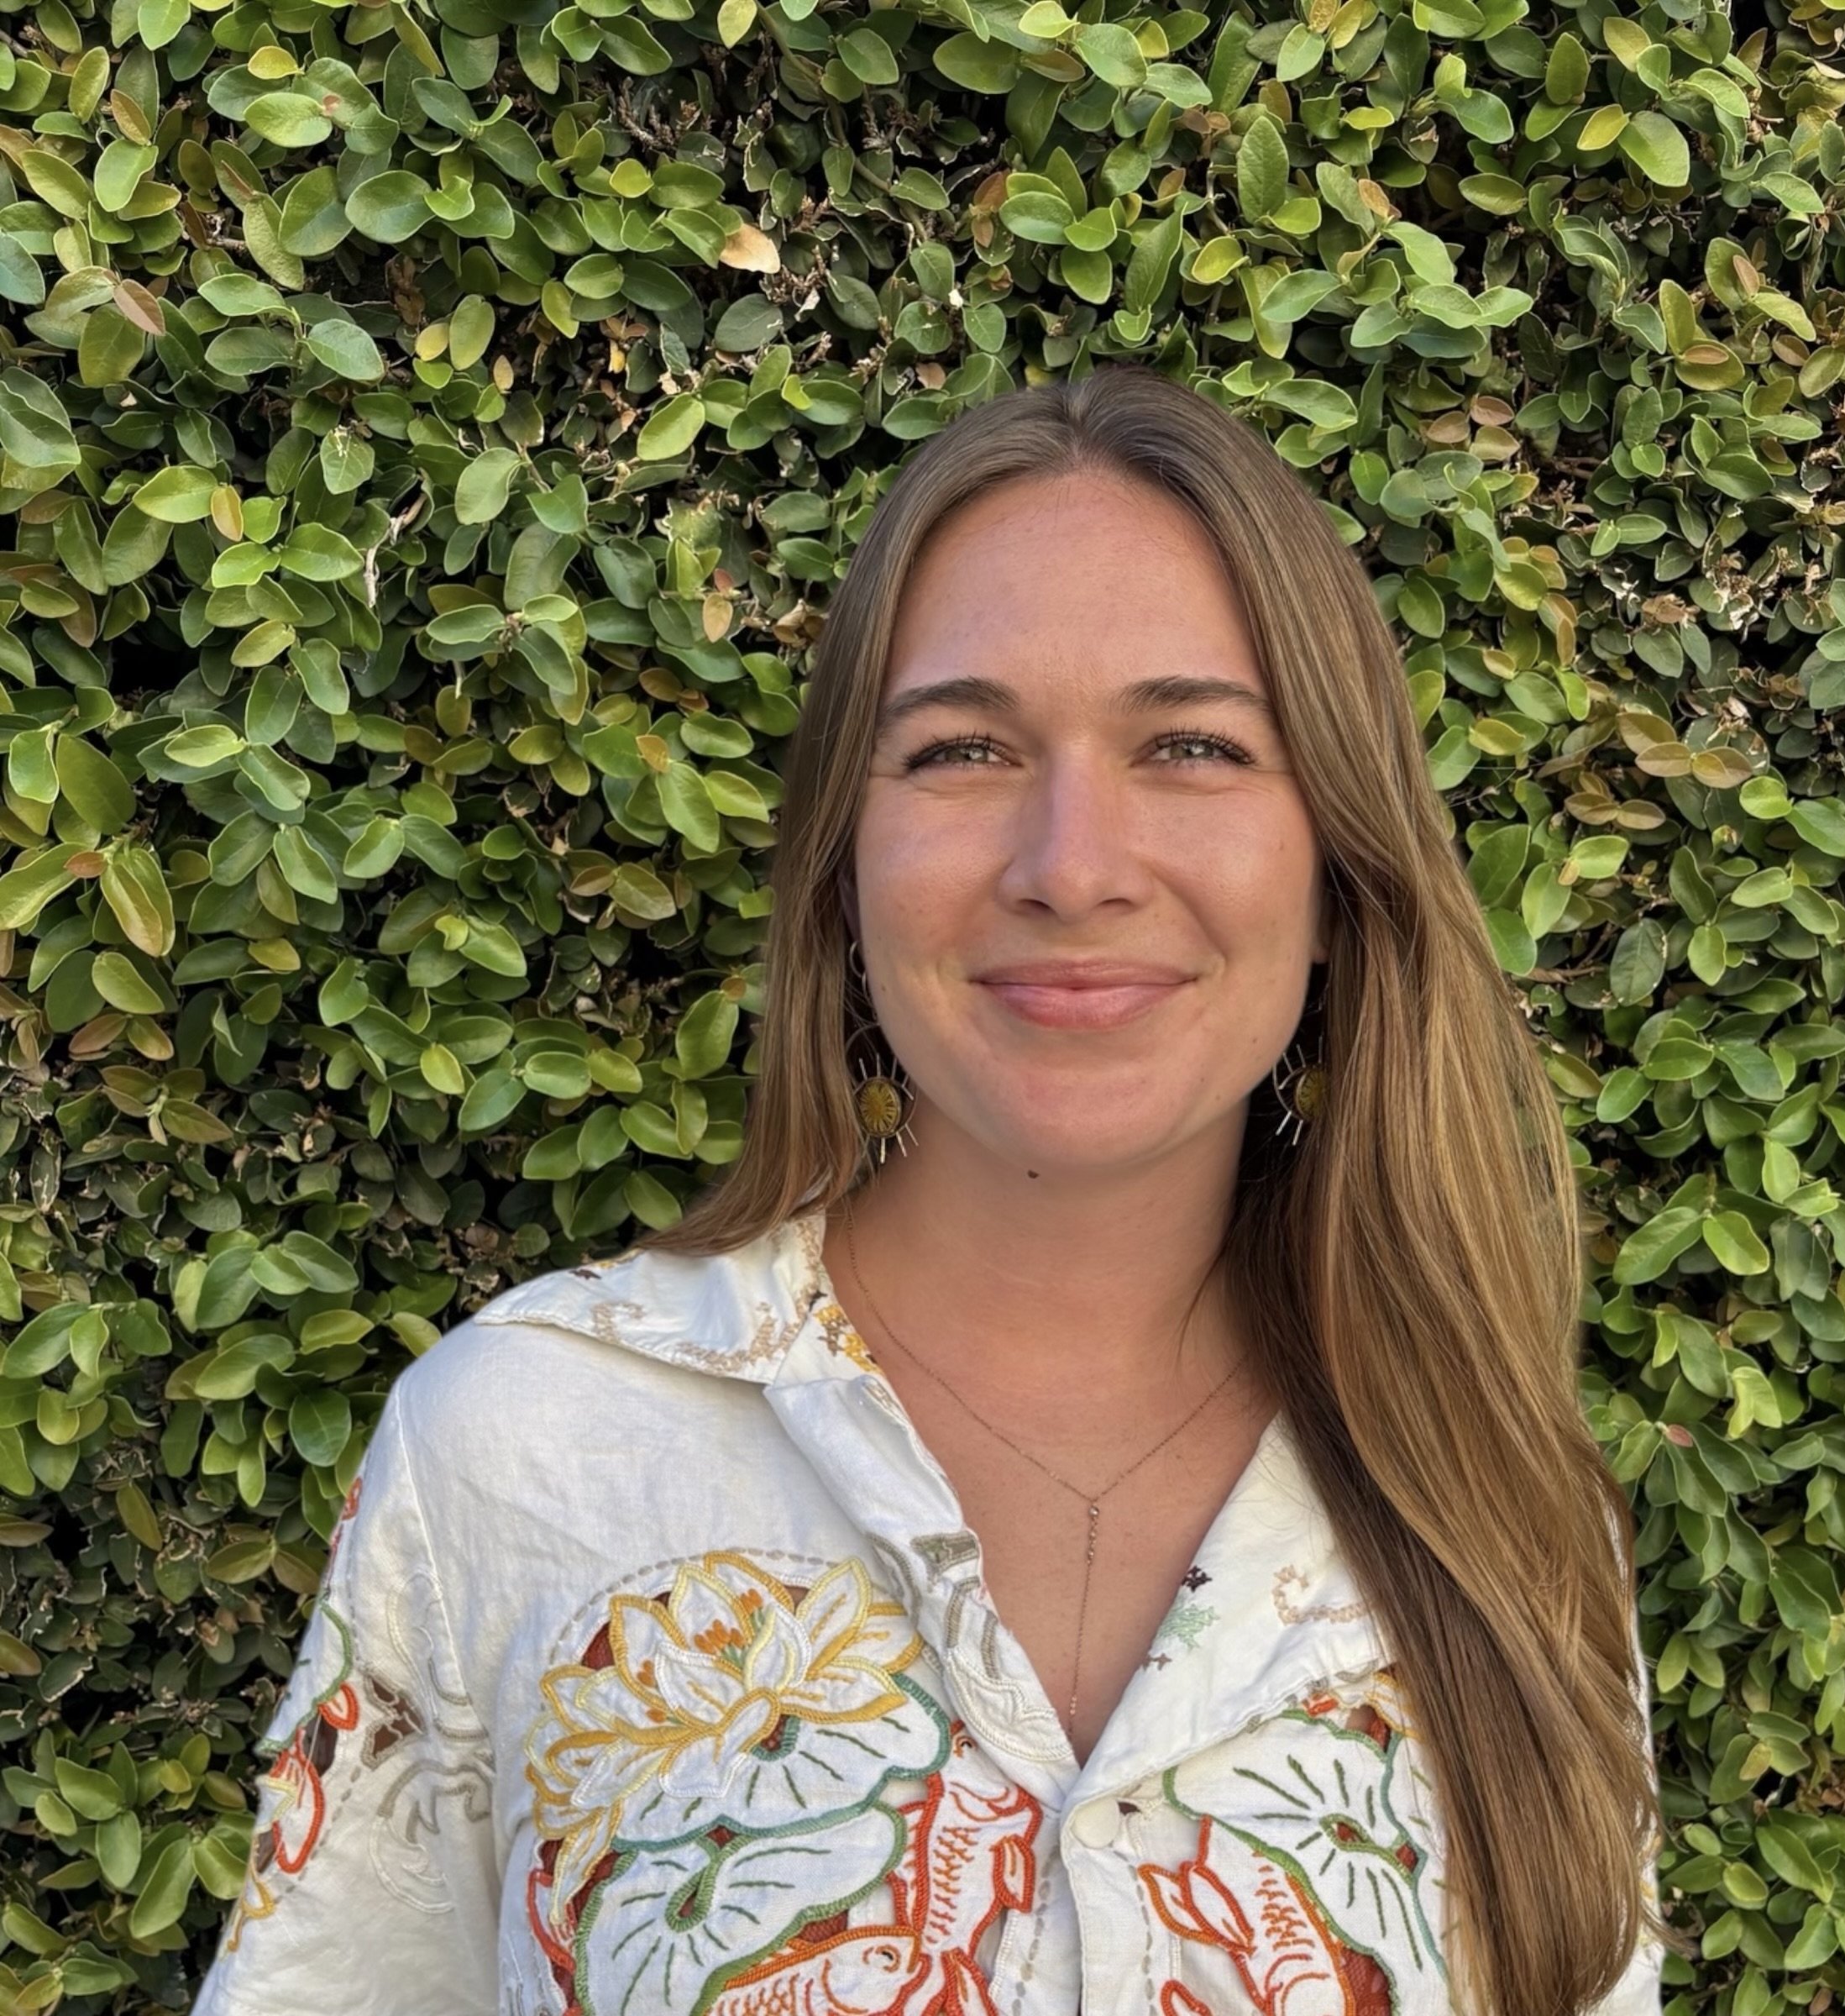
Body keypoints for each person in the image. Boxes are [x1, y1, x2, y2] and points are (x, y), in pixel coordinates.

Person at [188, 365, 1679, 2016]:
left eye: (1190, 745)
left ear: (1336, 865)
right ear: (844, 863)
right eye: (964, 749)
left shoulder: (1502, 1516)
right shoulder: (527, 1454)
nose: (1073, 863)